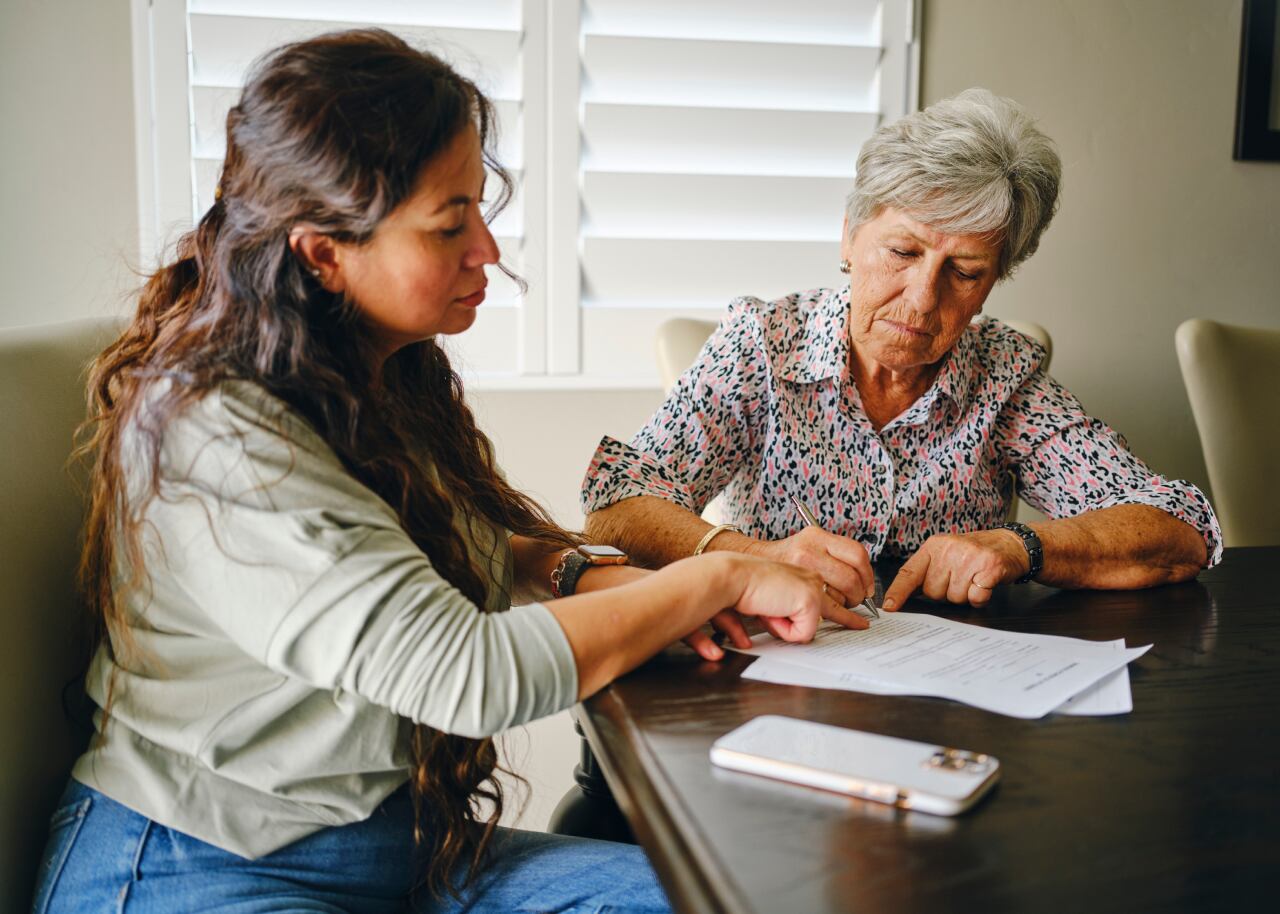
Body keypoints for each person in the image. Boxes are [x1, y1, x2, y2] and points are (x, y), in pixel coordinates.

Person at [32, 30, 862, 914]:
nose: (489, 250)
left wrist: (567, 565)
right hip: (201, 866)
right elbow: (465, 673)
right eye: (448, 223)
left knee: (744, 897)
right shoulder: (217, 430)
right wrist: (717, 572)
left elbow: (416, 548)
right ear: (323, 253)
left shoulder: (366, 369)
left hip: (400, 854)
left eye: (477, 205)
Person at [581, 88, 1220, 636]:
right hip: (781, 677)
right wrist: (753, 557)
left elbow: (1179, 529)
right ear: (849, 238)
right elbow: (617, 501)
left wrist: (1021, 546)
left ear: (995, 280)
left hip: (951, 694)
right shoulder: (763, 344)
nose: (921, 301)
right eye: (903, 251)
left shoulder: (1005, 374)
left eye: (964, 272)